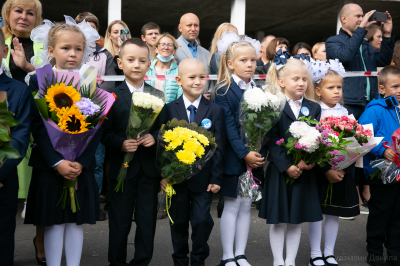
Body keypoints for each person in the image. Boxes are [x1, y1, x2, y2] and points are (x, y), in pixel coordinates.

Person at [24, 19, 102, 266]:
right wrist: (57, 161)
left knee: (75, 221)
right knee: (54, 221)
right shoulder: (40, 79)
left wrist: (82, 161)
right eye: (65, 48)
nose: (72, 53)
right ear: (50, 51)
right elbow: (38, 126)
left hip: (80, 163)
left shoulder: (88, 79)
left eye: (78, 49)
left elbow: (96, 125)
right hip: (51, 165)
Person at [154, 57, 226, 266]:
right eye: (191, 77)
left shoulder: (215, 111)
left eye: (202, 77)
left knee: (202, 220)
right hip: (176, 181)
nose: (197, 81)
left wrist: (216, 178)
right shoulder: (168, 109)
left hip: (204, 180)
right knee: (178, 222)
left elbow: (219, 147)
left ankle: (198, 258)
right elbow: (162, 145)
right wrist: (164, 175)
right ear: (178, 80)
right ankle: (180, 259)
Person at [101, 38, 163, 266]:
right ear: (119, 63)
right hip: (120, 171)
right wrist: (120, 143)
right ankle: (116, 262)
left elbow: (164, 130)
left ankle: (141, 262)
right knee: (119, 220)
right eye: (131, 60)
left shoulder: (158, 96)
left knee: (147, 221)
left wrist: (154, 137)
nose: (136, 65)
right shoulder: (111, 97)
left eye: (142, 61)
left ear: (149, 64)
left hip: (148, 171)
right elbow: (103, 134)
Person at [258, 58, 322, 266]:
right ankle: (278, 261)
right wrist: (286, 165)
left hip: (304, 171)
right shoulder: (274, 105)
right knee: (279, 220)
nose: (301, 83)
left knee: (296, 219)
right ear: (282, 81)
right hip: (280, 171)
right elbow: (270, 141)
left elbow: (317, 137)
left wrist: (309, 161)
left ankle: (290, 261)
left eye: (304, 79)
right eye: (295, 79)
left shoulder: (314, 107)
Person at [214, 37, 264, 266]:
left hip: (252, 158)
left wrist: (256, 150)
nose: (250, 64)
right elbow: (230, 128)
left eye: (253, 60)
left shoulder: (259, 89)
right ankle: (227, 256)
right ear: (231, 63)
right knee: (232, 205)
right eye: (244, 60)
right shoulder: (223, 91)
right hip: (235, 157)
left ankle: (241, 254)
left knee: (246, 205)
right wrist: (244, 153)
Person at [307, 60, 360, 266]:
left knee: (334, 212)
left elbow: (353, 141)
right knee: (317, 211)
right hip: (320, 170)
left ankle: (329, 252)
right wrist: (327, 167)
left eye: (339, 87)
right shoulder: (314, 111)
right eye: (331, 87)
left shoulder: (345, 113)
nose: (336, 91)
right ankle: (315, 253)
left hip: (341, 170)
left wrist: (345, 163)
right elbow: (312, 142)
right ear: (318, 91)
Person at [359, 65, 400, 266]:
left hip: (399, 172)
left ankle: (394, 252)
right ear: (382, 89)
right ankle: (374, 252)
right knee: (380, 213)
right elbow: (363, 136)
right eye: (395, 86)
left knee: (397, 215)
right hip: (380, 171)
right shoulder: (374, 110)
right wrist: (383, 149)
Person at [325, 4, 394, 119]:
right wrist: (361, 30)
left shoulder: (365, 44)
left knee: (371, 136)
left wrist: (387, 34)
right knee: (350, 137)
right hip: (348, 103)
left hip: (370, 103)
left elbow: (383, 61)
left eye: (362, 16)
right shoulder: (332, 42)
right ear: (344, 19)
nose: (362, 19)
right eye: (358, 16)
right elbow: (346, 57)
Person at [0, 28, 32, 266]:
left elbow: (20, 138)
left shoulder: (18, 90)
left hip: (3, 178)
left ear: (4, 51)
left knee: (2, 236)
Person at [1, 0, 43, 82]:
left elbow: (55, 81)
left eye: (30, 13)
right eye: (18, 11)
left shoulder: (48, 44)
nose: (23, 17)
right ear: (7, 15)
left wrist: (27, 66)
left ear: (36, 19)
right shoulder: (1, 41)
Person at [75, 12, 116, 92]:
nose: (89, 31)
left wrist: (94, 96)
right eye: (85, 27)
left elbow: (110, 81)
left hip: (97, 102)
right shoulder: (71, 52)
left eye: (92, 28)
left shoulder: (106, 54)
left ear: (97, 31)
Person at [175, 13, 211, 99]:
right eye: (189, 25)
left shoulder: (206, 53)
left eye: (196, 25)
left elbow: (212, 78)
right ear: (180, 28)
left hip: (205, 104)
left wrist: (210, 94)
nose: (193, 29)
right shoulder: (172, 50)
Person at [145, 33, 182, 103]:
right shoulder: (146, 68)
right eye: (162, 44)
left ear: (175, 51)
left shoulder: (179, 71)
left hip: (170, 111)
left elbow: (180, 98)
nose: (166, 47)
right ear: (156, 49)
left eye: (170, 45)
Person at [104, 20, 130, 87]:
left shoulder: (133, 54)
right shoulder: (104, 55)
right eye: (116, 32)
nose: (119, 35)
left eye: (122, 32)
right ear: (109, 35)